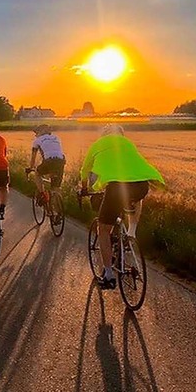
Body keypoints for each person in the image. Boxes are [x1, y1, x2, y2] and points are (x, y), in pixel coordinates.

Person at [79, 123, 165, 289]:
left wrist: (84, 189)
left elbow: (85, 170)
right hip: (141, 185)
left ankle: (109, 274)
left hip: (116, 187)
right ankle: (132, 231)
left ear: (104, 134)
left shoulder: (98, 144)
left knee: (103, 230)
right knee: (136, 198)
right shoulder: (128, 143)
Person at [28, 124, 66, 204]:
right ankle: (58, 212)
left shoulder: (37, 141)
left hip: (49, 161)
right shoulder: (56, 138)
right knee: (56, 187)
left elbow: (33, 157)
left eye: (36, 132)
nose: (35, 135)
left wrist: (31, 167)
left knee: (37, 173)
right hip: (60, 161)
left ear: (40, 132)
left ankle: (42, 194)